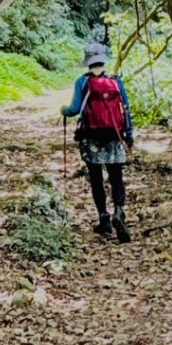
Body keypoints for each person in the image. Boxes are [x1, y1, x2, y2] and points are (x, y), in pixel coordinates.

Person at [61, 41, 134, 243]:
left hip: (91, 137)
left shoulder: (82, 82)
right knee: (116, 176)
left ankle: (104, 218)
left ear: (87, 62)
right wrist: (129, 135)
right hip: (114, 135)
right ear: (103, 59)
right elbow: (125, 109)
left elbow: (74, 109)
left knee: (96, 178)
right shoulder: (116, 81)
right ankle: (119, 212)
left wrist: (63, 110)